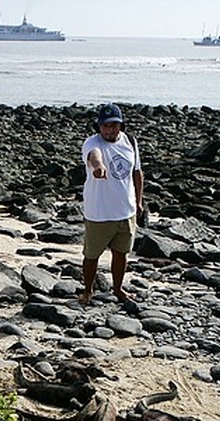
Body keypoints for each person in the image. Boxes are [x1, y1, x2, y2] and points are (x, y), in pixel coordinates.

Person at [79, 103, 144, 306]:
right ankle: (88, 291)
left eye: (114, 125)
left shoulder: (130, 142)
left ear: (120, 125)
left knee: (121, 253)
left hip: (126, 210)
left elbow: (137, 172)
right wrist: (98, 167)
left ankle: (117, 288)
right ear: (99, 126)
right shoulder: (92, 143)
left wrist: (139, 201)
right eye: (105, 126)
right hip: (99, 212)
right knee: (91, 255)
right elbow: (94, 156)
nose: (109, 130)